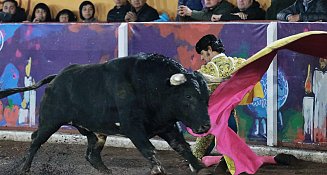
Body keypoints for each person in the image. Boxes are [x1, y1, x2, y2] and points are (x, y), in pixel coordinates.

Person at [192, 34, 264, 166]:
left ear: (209, 49)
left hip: (212, 118)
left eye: (202, 53)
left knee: (194, 158)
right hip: (231, 118)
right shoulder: (238, 63)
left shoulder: (207, 69)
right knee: (229, 153)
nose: (202, 58)